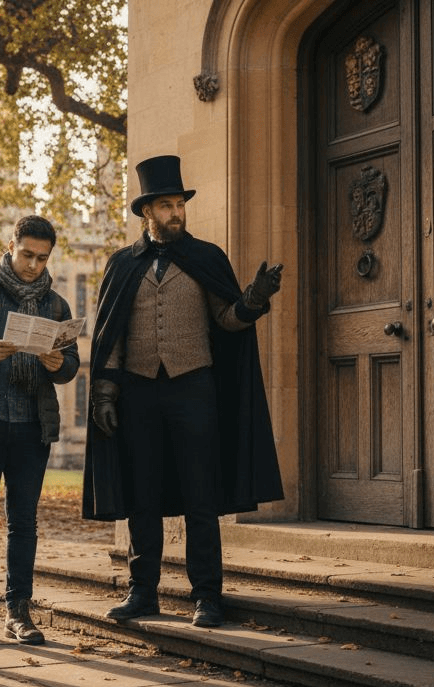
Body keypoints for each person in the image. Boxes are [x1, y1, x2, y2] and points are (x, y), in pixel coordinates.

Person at [83, 154, 285, 629]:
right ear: (146, 212)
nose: (177, 213)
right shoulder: (121, 264)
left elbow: (227, 320)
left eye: (180, 204)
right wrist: (105, 394)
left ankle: (207, 596)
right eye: (167, 206)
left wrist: (253, 300)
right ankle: (142, 592)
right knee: (142, 496)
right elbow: (111, 335)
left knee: (201, 495)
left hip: (194, 388)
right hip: (138, 393)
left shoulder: (207, 258)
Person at [0, 215, 80, 646]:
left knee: (24, 522)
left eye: (42, 258)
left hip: (31, 426)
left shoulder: (57, 306)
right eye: (27, 255)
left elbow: (71, 364)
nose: (34, 265)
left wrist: (60, 364)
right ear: (11, 245)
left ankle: (18, 611)